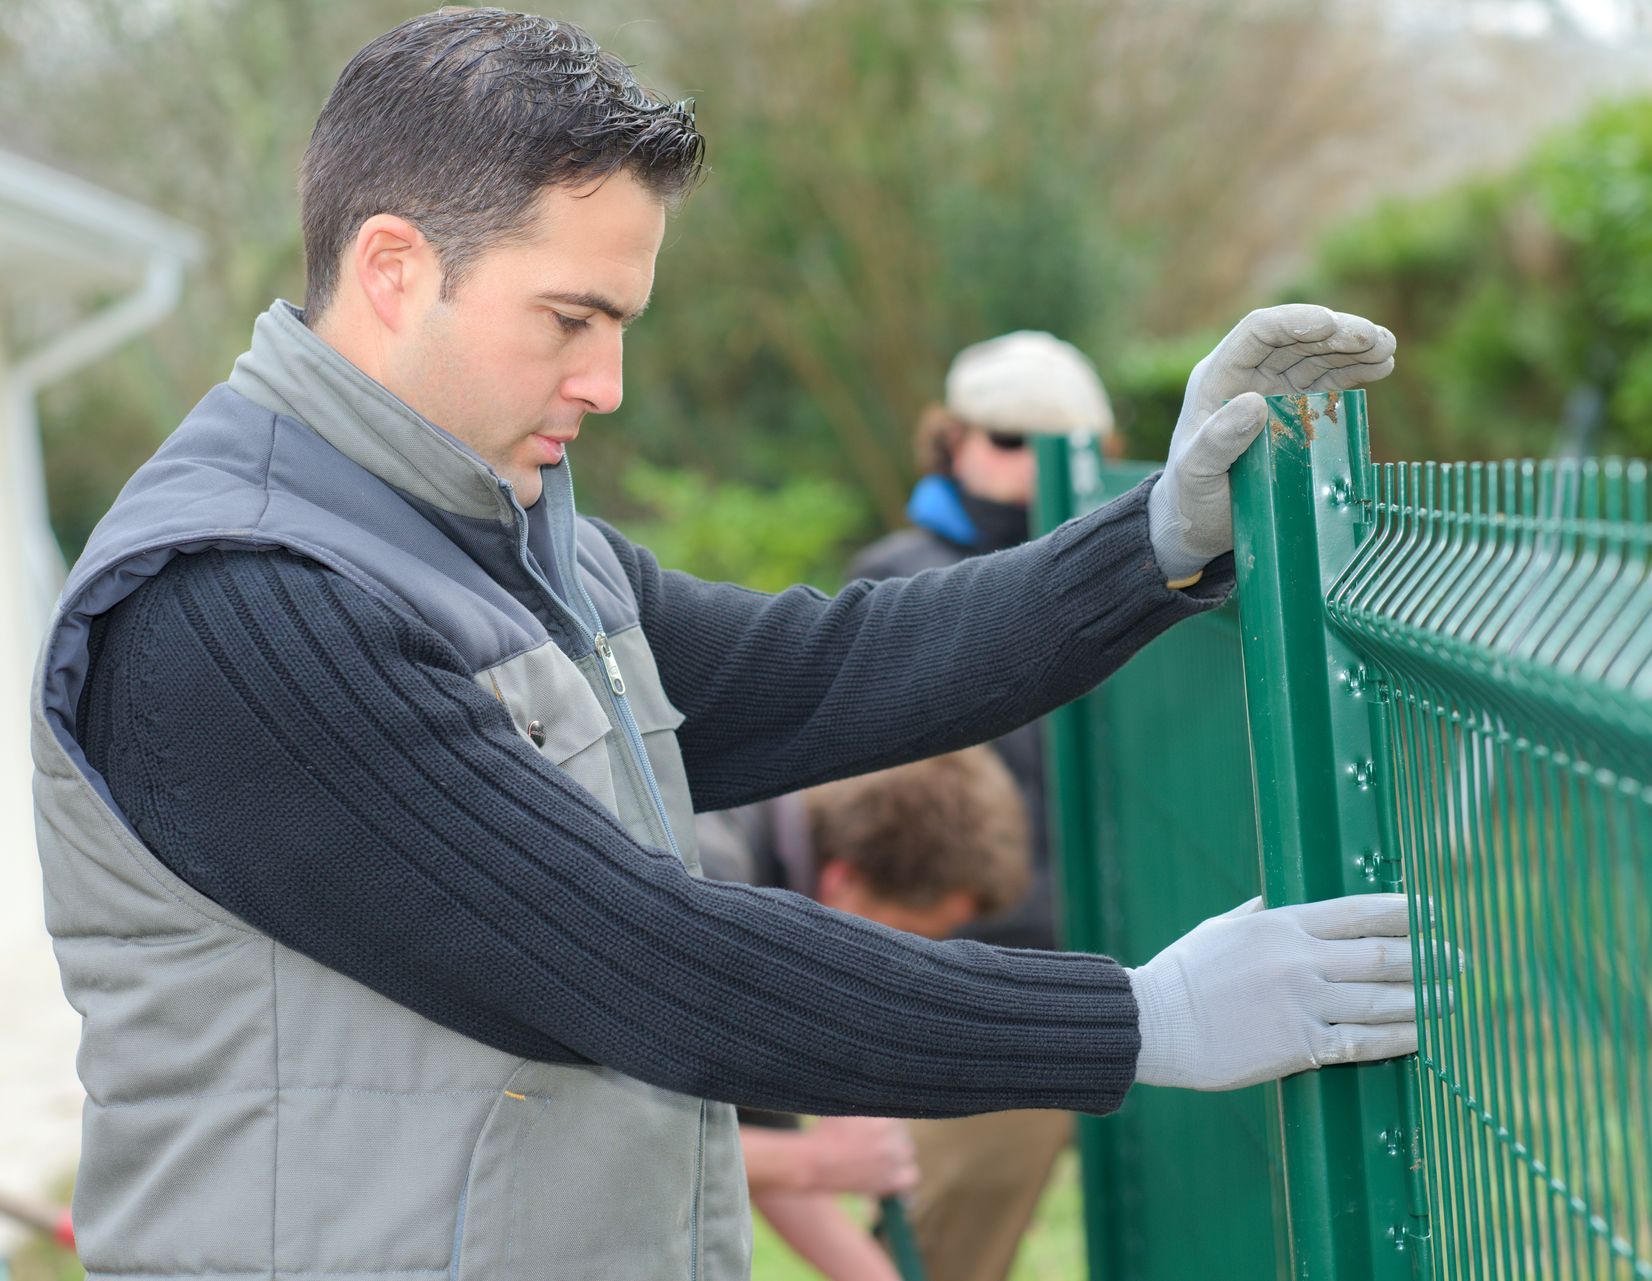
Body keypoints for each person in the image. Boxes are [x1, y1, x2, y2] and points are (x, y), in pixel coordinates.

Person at [29, 9, 1420, 1281]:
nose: (608, 384)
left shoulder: (525, 542)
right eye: (569, 320)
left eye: (621, 324)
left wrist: (1150, 540)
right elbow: (645, 963)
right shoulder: (233, 604)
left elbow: (816, 673)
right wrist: (1138, 1022)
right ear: (395, 269)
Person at [849, 330, 1113, 1281]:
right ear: (949, 439)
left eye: (1059, 448)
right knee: (944, 1254)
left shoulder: (1129, 584)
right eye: (1006, 440)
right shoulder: (899, 580)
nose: (1026, 470)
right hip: (981, 988)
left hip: (1127, 962)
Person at [698, 747, 1033, 1281]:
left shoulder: (769, 866)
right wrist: (819, 1162)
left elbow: (737, 1127)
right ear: (843, 882)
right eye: (907, 936)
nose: (901, 967)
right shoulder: (708, 886)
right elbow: (626, 1133)